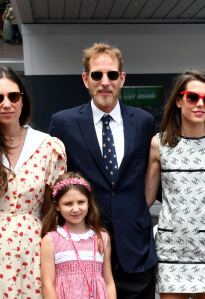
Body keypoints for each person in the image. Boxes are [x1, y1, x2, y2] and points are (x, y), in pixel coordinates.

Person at [48, 42, 157, 298]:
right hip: (85, 245)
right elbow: (56, 184)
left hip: (136, 246)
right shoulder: (63, 123)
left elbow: (153, 177)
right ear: (86, 79)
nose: (105, 81)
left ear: (122, 79)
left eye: (112, 75)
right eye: (97, 75)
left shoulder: (143, 122)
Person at [145, 70, 205, 298]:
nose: (201, 104)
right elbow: (145, 201)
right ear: (178, 100)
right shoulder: (159, 144)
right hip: (171, 249)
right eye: (192, 97)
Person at [0, 66, 66, 298]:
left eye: (13, 96)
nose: (6, 103)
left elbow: (54, 207)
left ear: (23, 100)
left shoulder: (47, 146)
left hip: (35, 247)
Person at [40, 172, 116, 299]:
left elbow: (109, 282)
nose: (75, 209)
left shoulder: (102, 238)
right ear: (57, 206)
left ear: (89, 203)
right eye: (68, 204)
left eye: (81, 202)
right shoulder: (51, 240)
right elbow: (48, 285)